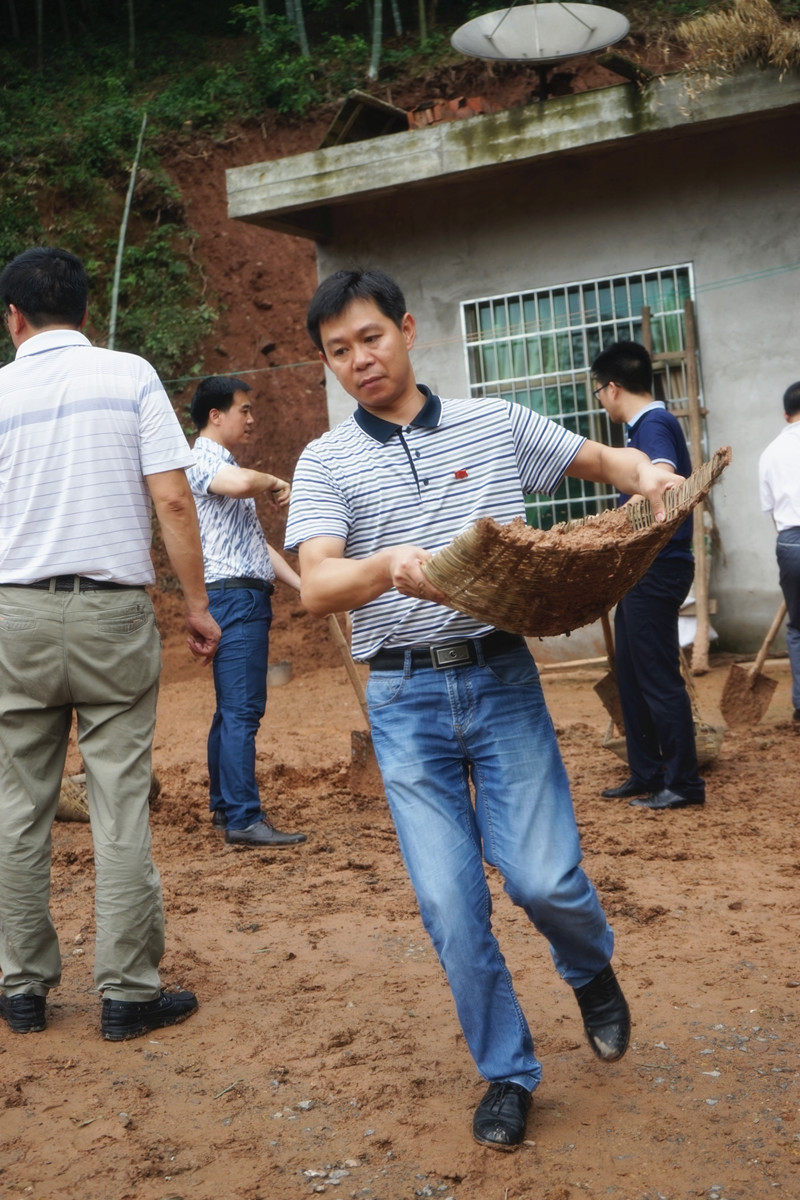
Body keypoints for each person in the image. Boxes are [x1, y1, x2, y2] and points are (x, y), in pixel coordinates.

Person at [285, 268, 685, 1151]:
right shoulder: (326, 461)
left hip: (501, 677)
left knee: (544, 879)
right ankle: (507, 1072)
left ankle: (589, 966)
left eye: (371, 338)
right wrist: (386, 565)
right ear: (327, 363)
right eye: (339, 351)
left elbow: (603, 462)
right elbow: (315, 584)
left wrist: (649, 470)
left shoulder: (493, 423)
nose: (360, 360)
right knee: (450, 905)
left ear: (407, 329)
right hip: (403, 697)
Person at [0, 246, 220, 1041]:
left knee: (16, 805)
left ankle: (21, 988)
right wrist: (196, 603)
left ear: (13, 318)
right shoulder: (129, 376)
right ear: (86, 311)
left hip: (15, 616)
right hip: (111, 614)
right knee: (118, 800)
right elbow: (174, 500)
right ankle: (127, 994)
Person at [187, 375, 307, 848]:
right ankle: (242, 818)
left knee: (231, 710)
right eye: (244, 409)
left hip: (242, 594)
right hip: (234, 598)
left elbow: (256, 547)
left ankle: (226, 808)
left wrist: (303, 585)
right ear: (216, 415)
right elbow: (241, 485)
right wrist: (273, 481)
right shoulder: (204, 461)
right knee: (242, 711)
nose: (252, 418)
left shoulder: (225, 465)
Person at [592, 340, 706, 811]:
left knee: (656, 676)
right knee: (631, 670)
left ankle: (683, 783)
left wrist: (606, 527)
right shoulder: (642, 428)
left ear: (612, 388)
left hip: (659, 567)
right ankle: (647, 772)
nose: (601, 400)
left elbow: (659, 476)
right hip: (642, 569)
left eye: (599, 391)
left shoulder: (654, 425)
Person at [758, 380, 800, 722]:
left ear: (786, 415)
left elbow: (773, 514)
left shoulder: (769, 453)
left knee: (798, 629)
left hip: (790, 545)